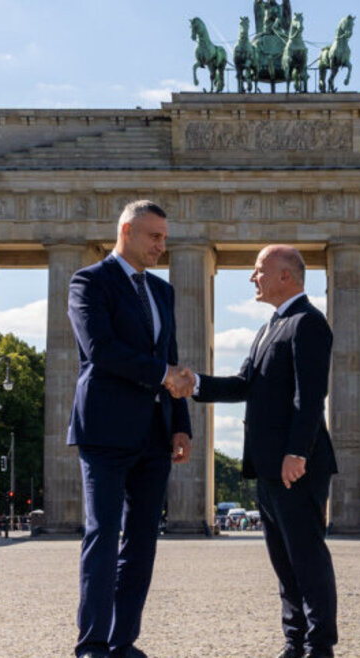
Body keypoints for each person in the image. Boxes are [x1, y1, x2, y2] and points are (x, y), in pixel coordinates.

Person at [168, 244, 338, 658]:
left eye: (259, 269)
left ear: (286, 276)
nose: (252, 277)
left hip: (295, 465)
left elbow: (310, 396)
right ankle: (294, 641)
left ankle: (320, 646)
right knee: (283, 561)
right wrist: (197, 384)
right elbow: (245, 384)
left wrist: (297, 452)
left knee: (307, 558)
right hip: (267, 466)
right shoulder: (270, 328)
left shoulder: (308, 323)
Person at [67, 200, 192, 658]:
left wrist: (181, 425)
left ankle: (123, 641)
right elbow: (101, 349)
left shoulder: (163, 292)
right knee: (103, 536)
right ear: (126, 232)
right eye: (154, 236)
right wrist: (163, 376)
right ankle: (93, 643)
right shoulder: (89, 282)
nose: (162, 245)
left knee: (141, 542)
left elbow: (171, 357)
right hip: (105, 428)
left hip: (155, 433)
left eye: (164, 236)